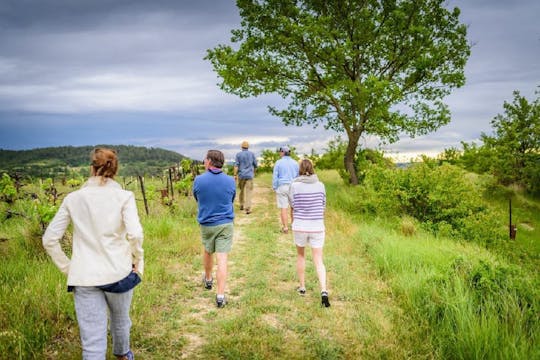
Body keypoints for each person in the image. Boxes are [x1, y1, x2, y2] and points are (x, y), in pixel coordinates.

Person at [42, 147, 144, 360]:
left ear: (92, 168)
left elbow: (49, 239)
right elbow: (135, 234)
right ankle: (123, 354)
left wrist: (69, 268)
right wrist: (137, 260)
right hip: (119, 272)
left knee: (92, 343)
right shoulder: (124, 196)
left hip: (84, 276)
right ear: (115, 169)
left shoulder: (73, 198)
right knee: (121, 318)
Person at [193, 149, 236, 308]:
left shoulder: (198, 180)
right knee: (222, 258)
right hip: (225, 223)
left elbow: (197, 198)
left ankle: (209, 279)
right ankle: (220, 295)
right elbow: (231, 199)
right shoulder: (230, 180)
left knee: (207, 250)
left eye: (205, 159)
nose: (204, 162)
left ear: (210, 161)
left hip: (207, 223)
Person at [289, 159, 330, 307]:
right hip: (317, 226)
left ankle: (302, 287)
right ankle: (324, 291)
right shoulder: (321, 185)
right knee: (318, 260)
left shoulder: (294, 186)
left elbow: (292, 206)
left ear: (299, 169)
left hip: (300, 225)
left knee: (301, 256)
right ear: (312, 168)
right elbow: (323, 206)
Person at [272, 146, 299, 233]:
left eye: (280, 152)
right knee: (293, 207)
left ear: (283, 152)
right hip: (293, 186)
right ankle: (294, 226)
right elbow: (298, 176)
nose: (280, 153)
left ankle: (285, 228)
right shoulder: (295, 163)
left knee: (284, 207)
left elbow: (275, 176)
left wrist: (275, 187)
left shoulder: (278, 163)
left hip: (282, 186)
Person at [233, 140, 258, 214]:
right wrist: (254, 172)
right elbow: (255, 165)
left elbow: (236, 165)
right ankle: (248, 208)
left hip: (241, 175)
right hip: (249, 175)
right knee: (249, 191)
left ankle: (241, 204)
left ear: (241, 147)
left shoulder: (238, 154)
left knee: (241, 190)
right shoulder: (252, 154)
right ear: (248, 147)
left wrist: (235, 175)